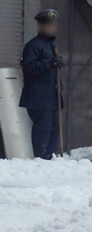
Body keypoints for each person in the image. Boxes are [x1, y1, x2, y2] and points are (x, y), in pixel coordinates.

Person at [19, 9, 66, 160]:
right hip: (38, 96)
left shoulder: (52, 44)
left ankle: (50, 156)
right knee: (43, 127)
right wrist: (49, 63)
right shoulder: (34, 45)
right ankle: (40, 157)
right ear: (40, 26)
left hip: (51, 95)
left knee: (54, 126)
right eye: (48, 24)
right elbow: (29, 67)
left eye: (53, 24)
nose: (51, 27)